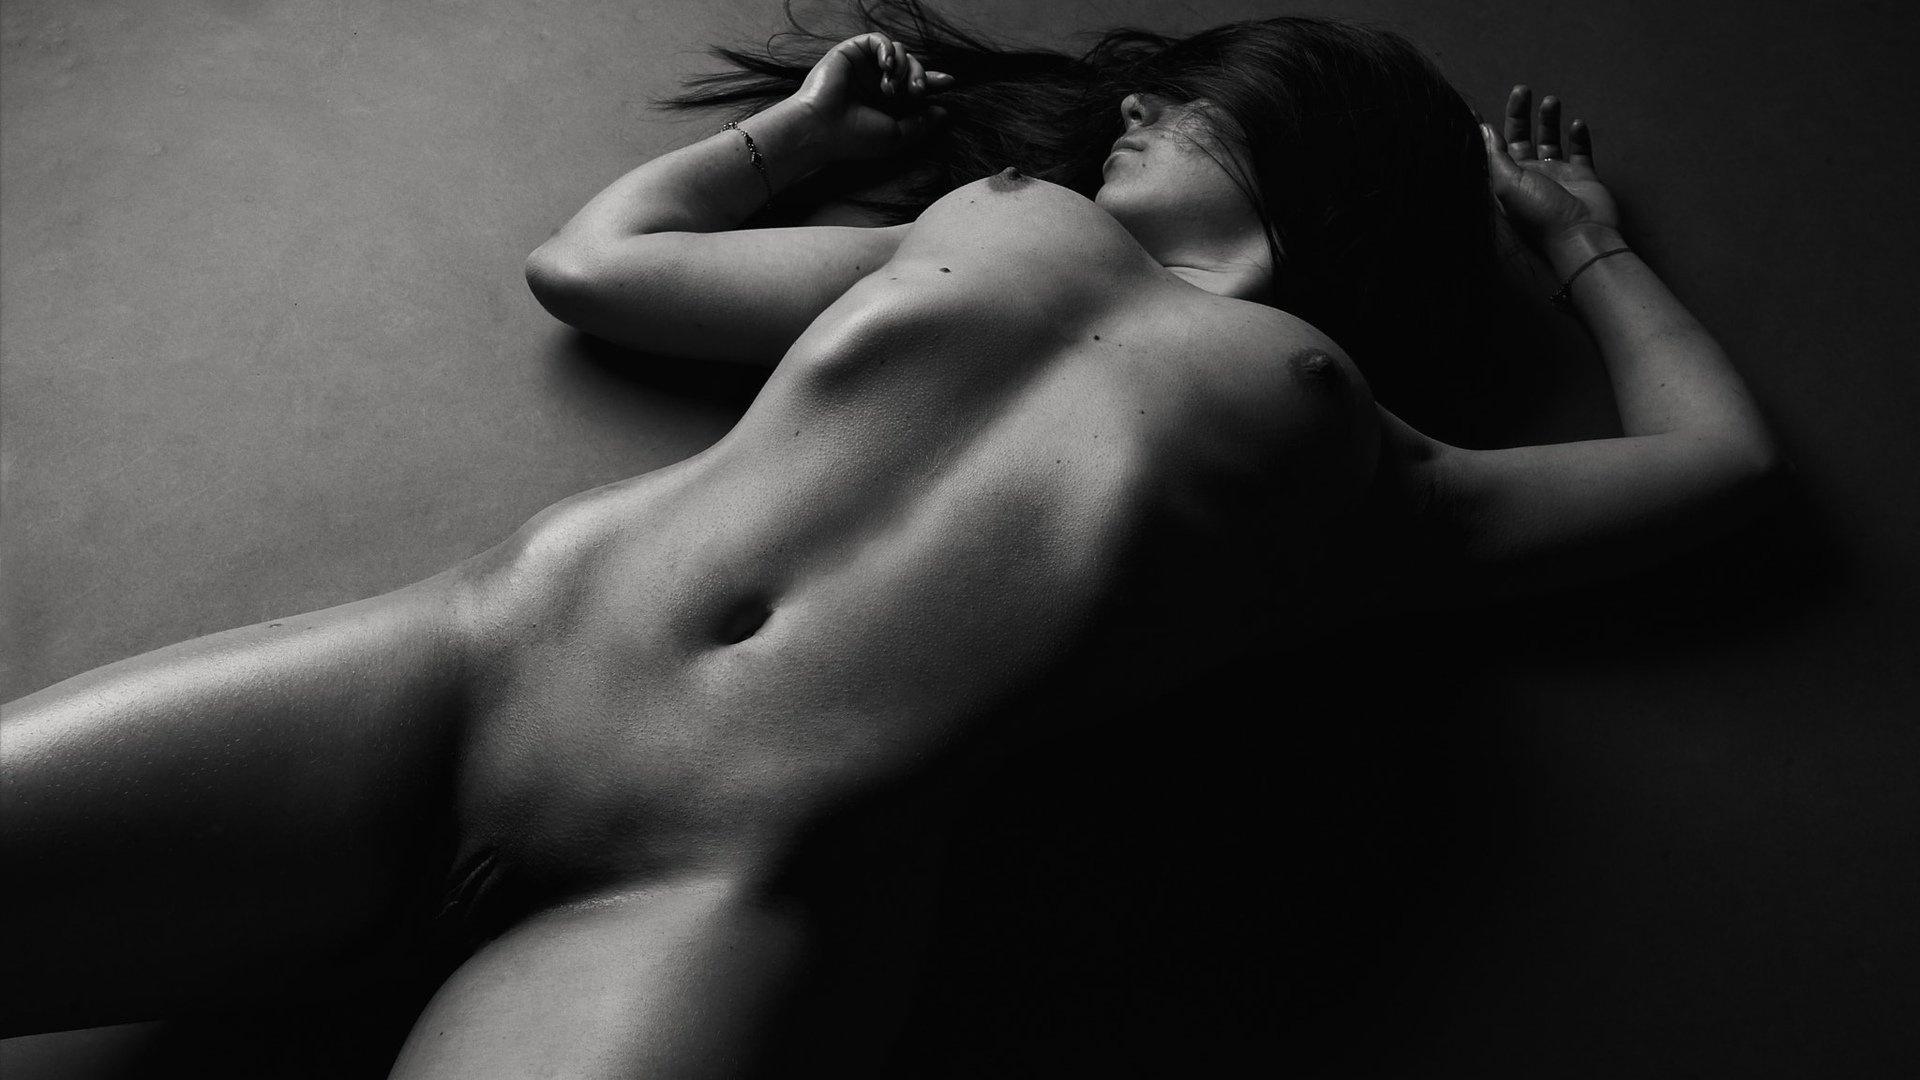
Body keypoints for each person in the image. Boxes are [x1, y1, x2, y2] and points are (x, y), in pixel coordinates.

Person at [1, 2, 1783, 1074]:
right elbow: (594, 268)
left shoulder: (1352, 446)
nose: (1127, 110)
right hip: (457, 679)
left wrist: (1583, 244)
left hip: (725, 894)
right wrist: (794, 135)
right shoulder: (985, 217)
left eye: (1174, 96)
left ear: (1294, 136)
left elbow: (1719, 469)